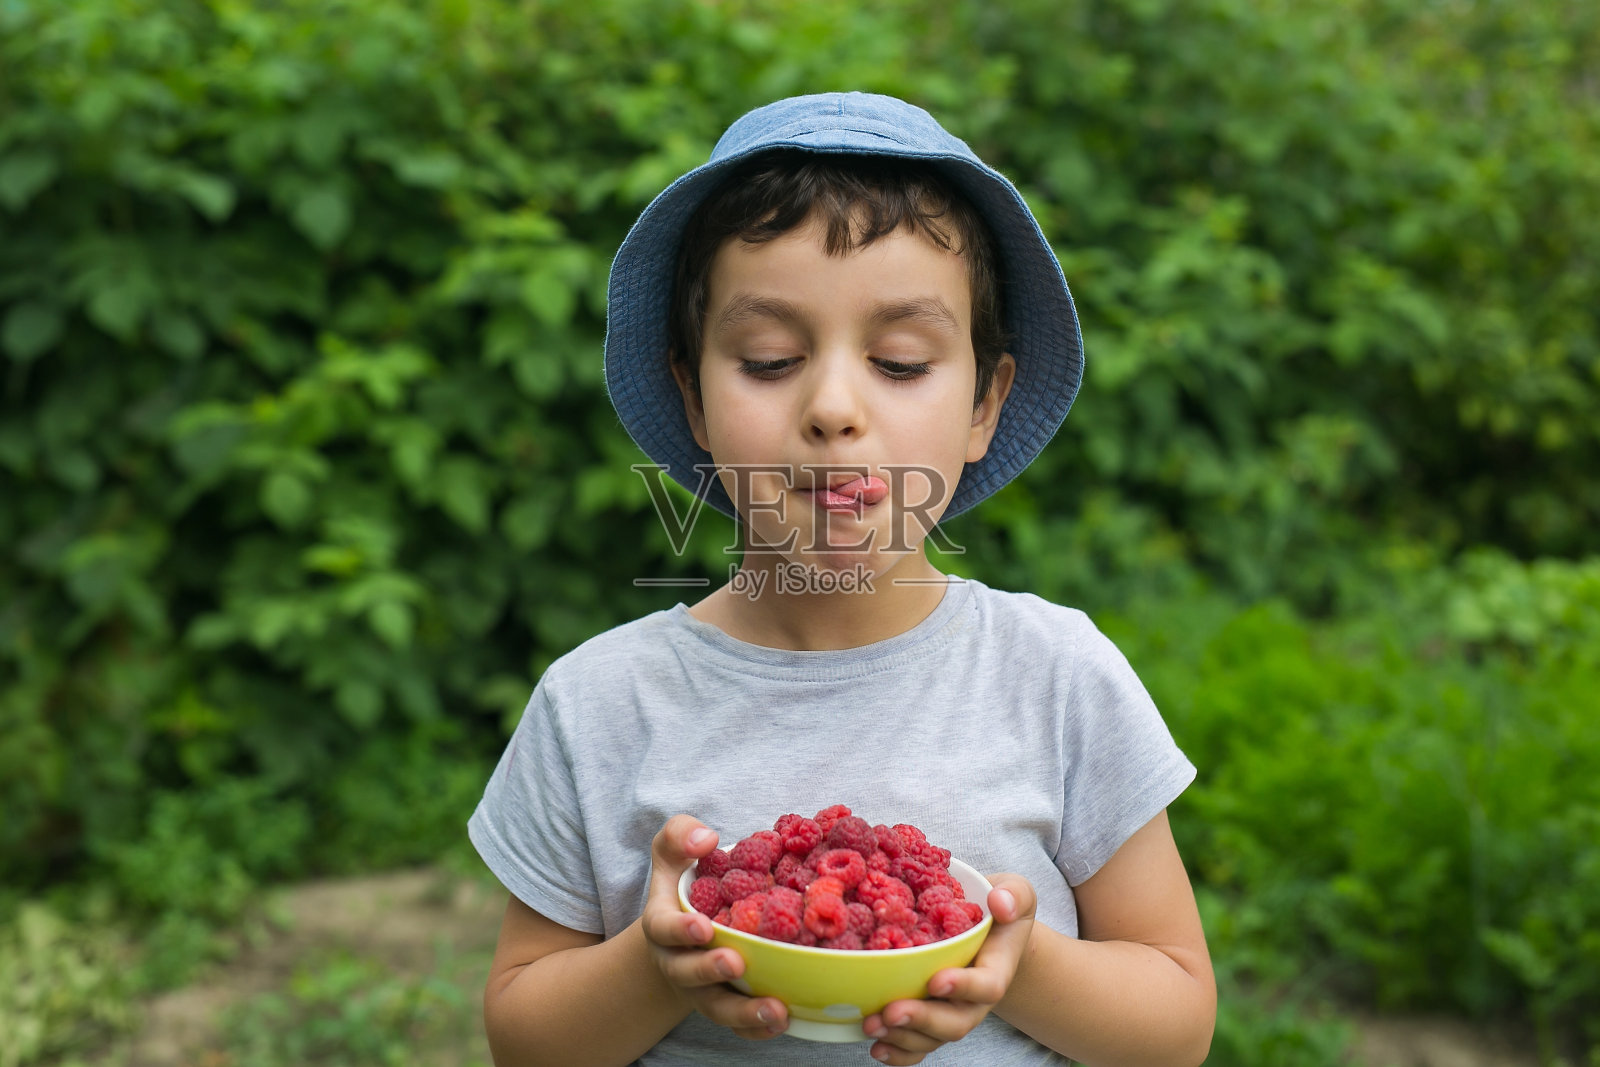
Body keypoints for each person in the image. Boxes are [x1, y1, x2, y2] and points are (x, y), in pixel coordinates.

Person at [468, 91, 1215, 1066]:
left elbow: (1177, 1023)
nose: (832, 407)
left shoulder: (1057, 676)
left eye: (900, 361)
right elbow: (524, 1037)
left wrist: (1014, 958)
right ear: (693, 395)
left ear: (985, 401)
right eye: (770, 357)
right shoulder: (597, 706)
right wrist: (653, 967)